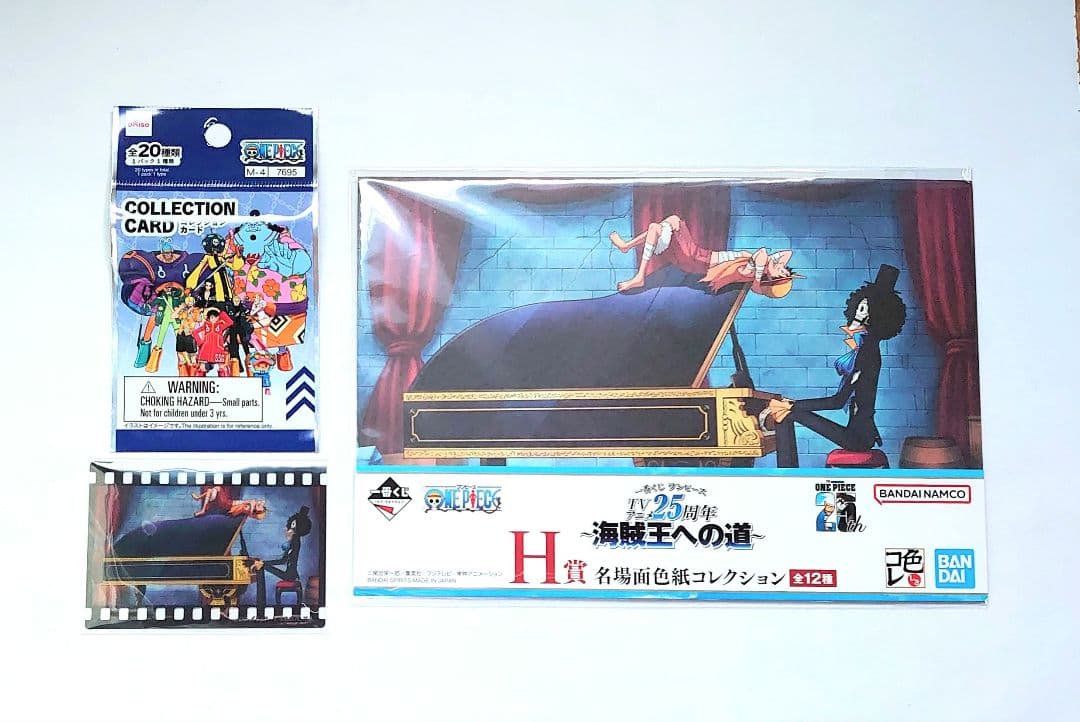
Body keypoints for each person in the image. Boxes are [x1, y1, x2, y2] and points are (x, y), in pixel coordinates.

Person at [766, 265, 907, 467]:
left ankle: (787, 472)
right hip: (862, 433)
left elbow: (838, 401)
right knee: (789, 411)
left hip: (858, 438)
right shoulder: (867, 349)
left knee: (788, 414)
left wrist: (793, 405)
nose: (857, 313)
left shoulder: (867, 354)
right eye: (859, 307)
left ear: (876, 316)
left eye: (863, 309)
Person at [609, 214, 797, 296]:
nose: (781, 267)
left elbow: (760, 261)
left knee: (655, 227)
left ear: (770, 279)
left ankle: (639, 276)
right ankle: (627, 247)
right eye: (784, 269)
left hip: (696, 260)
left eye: (780, 273)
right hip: (698, 255)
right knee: (667, 223)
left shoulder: (751, 275)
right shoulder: (758, 265)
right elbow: (788, 253)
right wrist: (777, 267)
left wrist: (765, 268)